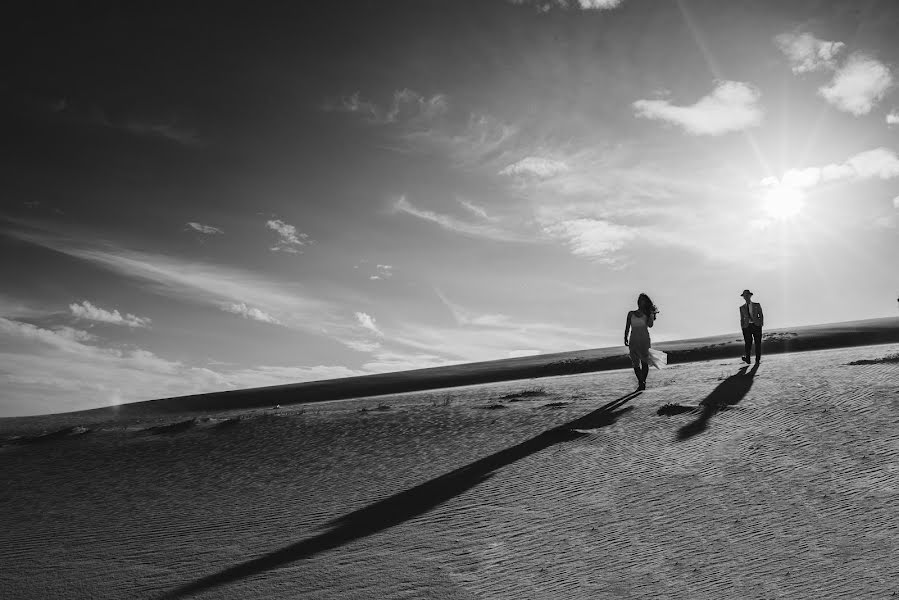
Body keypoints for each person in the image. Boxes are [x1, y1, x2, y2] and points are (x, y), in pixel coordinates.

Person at [624, 293, 667, 390]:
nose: (641, 302)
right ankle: (641, 382)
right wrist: (625, 337)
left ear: (646, 302)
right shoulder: (631, 313)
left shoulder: (647, 314)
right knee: (635, 362)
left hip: (644, 340)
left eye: (643, 300)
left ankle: (643, 383)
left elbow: (650, 325)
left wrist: (651, 315)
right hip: (633, 340)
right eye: (640, 300)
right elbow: (627, 327)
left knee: (644, 362)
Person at [739, 289, 764, 364]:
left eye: (747, 295)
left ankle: (757, 360)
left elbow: (761, 314)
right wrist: (743, 327)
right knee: (748, 343)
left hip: (756, 325)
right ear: (743, 297)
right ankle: (748, 359)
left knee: (757, 343)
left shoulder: (757, 305)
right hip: (747, 327)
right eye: (744, 296)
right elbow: (742, 318)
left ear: (750, 296)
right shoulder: (742, 307)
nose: (746, 297)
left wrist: (761, 323)